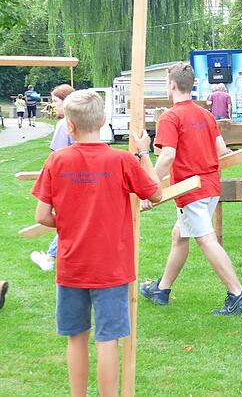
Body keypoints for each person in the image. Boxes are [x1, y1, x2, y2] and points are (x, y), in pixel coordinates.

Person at [31, 89, 162, 397]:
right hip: (112, 267)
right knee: (107, 340)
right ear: (104, 121)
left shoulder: (56, 161)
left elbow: (42, 215)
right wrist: (143, 153)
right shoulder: (121, 161)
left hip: (72, 263)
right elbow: (155, 194)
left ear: (70, 126)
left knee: (76, 337)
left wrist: (68, 224)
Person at [140, 63, 242, 315]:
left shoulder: (170, 117)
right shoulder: (206, 115)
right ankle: (162, 289)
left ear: (171, 85)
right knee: (179, 236)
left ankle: (238, 294)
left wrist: (150, 187)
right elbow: (222, 150)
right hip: (210, 186)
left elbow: (167, 155)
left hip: (191, 191)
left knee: (206, 240)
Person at [31, 84, 76, 272]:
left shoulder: (64, 124)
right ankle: (52, 254)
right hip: (84, 177)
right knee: (74, 219)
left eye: (56, 101)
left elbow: (56, 158)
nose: (53, 105)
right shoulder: (84, 121)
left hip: (68, 180)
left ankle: (50, 256)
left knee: (69, 219)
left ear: (66, 102)